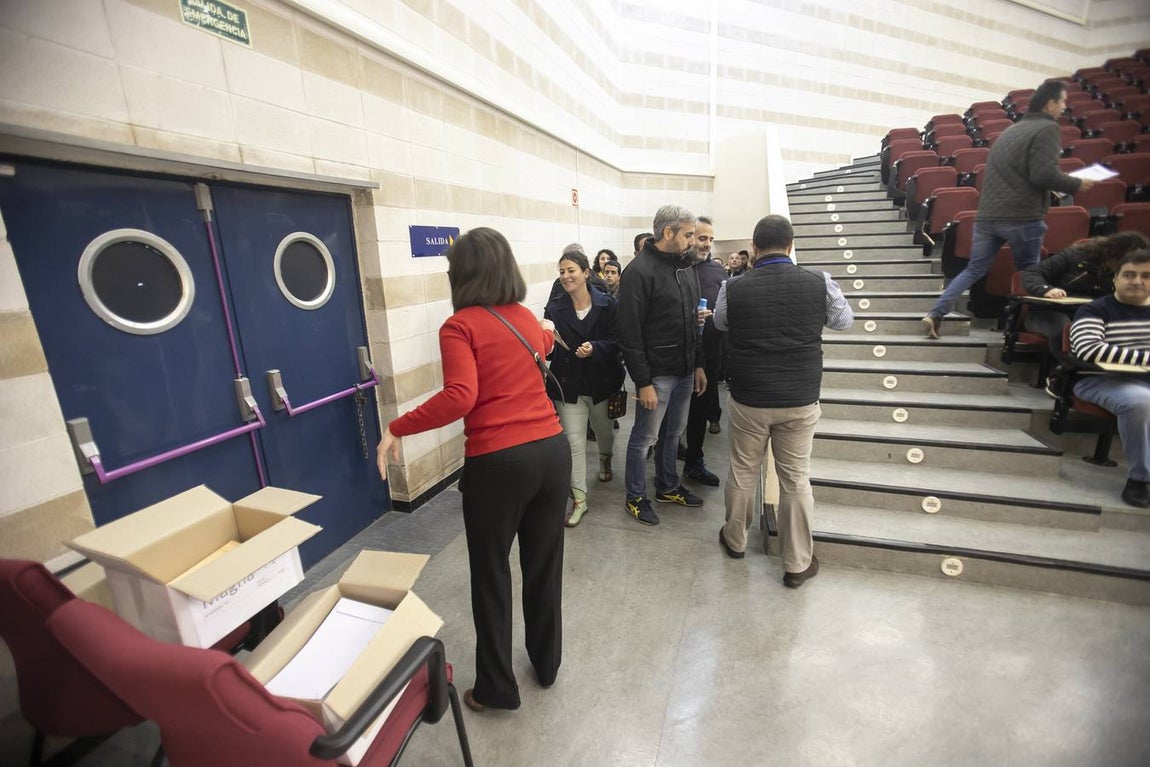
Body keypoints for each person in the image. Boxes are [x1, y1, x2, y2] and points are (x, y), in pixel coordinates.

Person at [377, 227, 569, 711]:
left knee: (491, 575)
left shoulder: (459, 326)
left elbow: (460, 396)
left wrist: (397, 426)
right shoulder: (524, 317)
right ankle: (547, 666)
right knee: (544, 567)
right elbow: (542, 348)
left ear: (462, 274)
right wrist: (545, 336)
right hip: (552, 451)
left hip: (499, 463)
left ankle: (496, 688)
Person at [713, 214, 853, 586]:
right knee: (795, 479)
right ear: (791, 246)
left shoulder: (733, 286)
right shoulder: (819, 281)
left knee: (743, 471)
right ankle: (797, 563)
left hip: (749, 398)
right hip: (800, 398)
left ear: (754, 248)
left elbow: (720, 323)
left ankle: (735, 540)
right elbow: (844, 321)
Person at [922, 80, 1095, 339]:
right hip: (1022, 216)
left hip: (988, 216)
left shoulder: (1009, 132)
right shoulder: (1048, 128)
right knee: (1031, 272)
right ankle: (1027, 329)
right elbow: (1042, 175)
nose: (1063, 107)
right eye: (1061, 101)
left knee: (973, 269)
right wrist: (1076, 183)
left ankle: (936, 313)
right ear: (1050, 104)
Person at [617, 205, 709, 526]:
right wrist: (643, 382)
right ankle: (635, 496)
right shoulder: (638, 272)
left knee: (673, 434)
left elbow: (693, 322)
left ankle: (668, 486)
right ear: (668, 233)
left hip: (684, 369)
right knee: (645, 438)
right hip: (656, 374)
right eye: (688, 234)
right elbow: (629, 334)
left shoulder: (686, 268)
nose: (693, 241)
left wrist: (698, 365)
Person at [544, 250, 625, 527]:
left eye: (571, 271)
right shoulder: (554, 308)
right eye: (562, 271)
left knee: (604, 431)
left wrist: (595, 348)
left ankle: (605, 457)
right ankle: (579, 499)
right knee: (574, 442)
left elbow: (618, 341)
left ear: (586, 273)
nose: (566, 276)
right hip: (568, 384)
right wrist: (545, 337)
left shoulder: (608, 304)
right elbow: (549, 346)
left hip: (601, 382)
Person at [1068, 249, 1150, 508]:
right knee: (1140, 401)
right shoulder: (1094, 309)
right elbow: (1088, 349)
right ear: (1115, 278)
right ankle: (1139, 479)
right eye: (1129, 275)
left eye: (1146, 276)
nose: (1137, 281)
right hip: (1101, 380)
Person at [1020, 231, 1149, 356]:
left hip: (1095, 314)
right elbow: (1032, 273)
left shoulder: (1124, 274)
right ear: (1114, 254)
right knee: (1063, 330)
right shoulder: (1074, 255)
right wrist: (1046, 289)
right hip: (1051, 311)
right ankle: (1066, 368)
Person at [681, 216, 728, 486]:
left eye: (711, 239)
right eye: (702, 238)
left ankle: (694, 461)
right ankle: (668, 459)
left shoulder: (718, 272)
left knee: (700, 411)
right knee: (672, 415)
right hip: (677, 356)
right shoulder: (676, 269)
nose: (707, 244)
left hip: (709, 355)